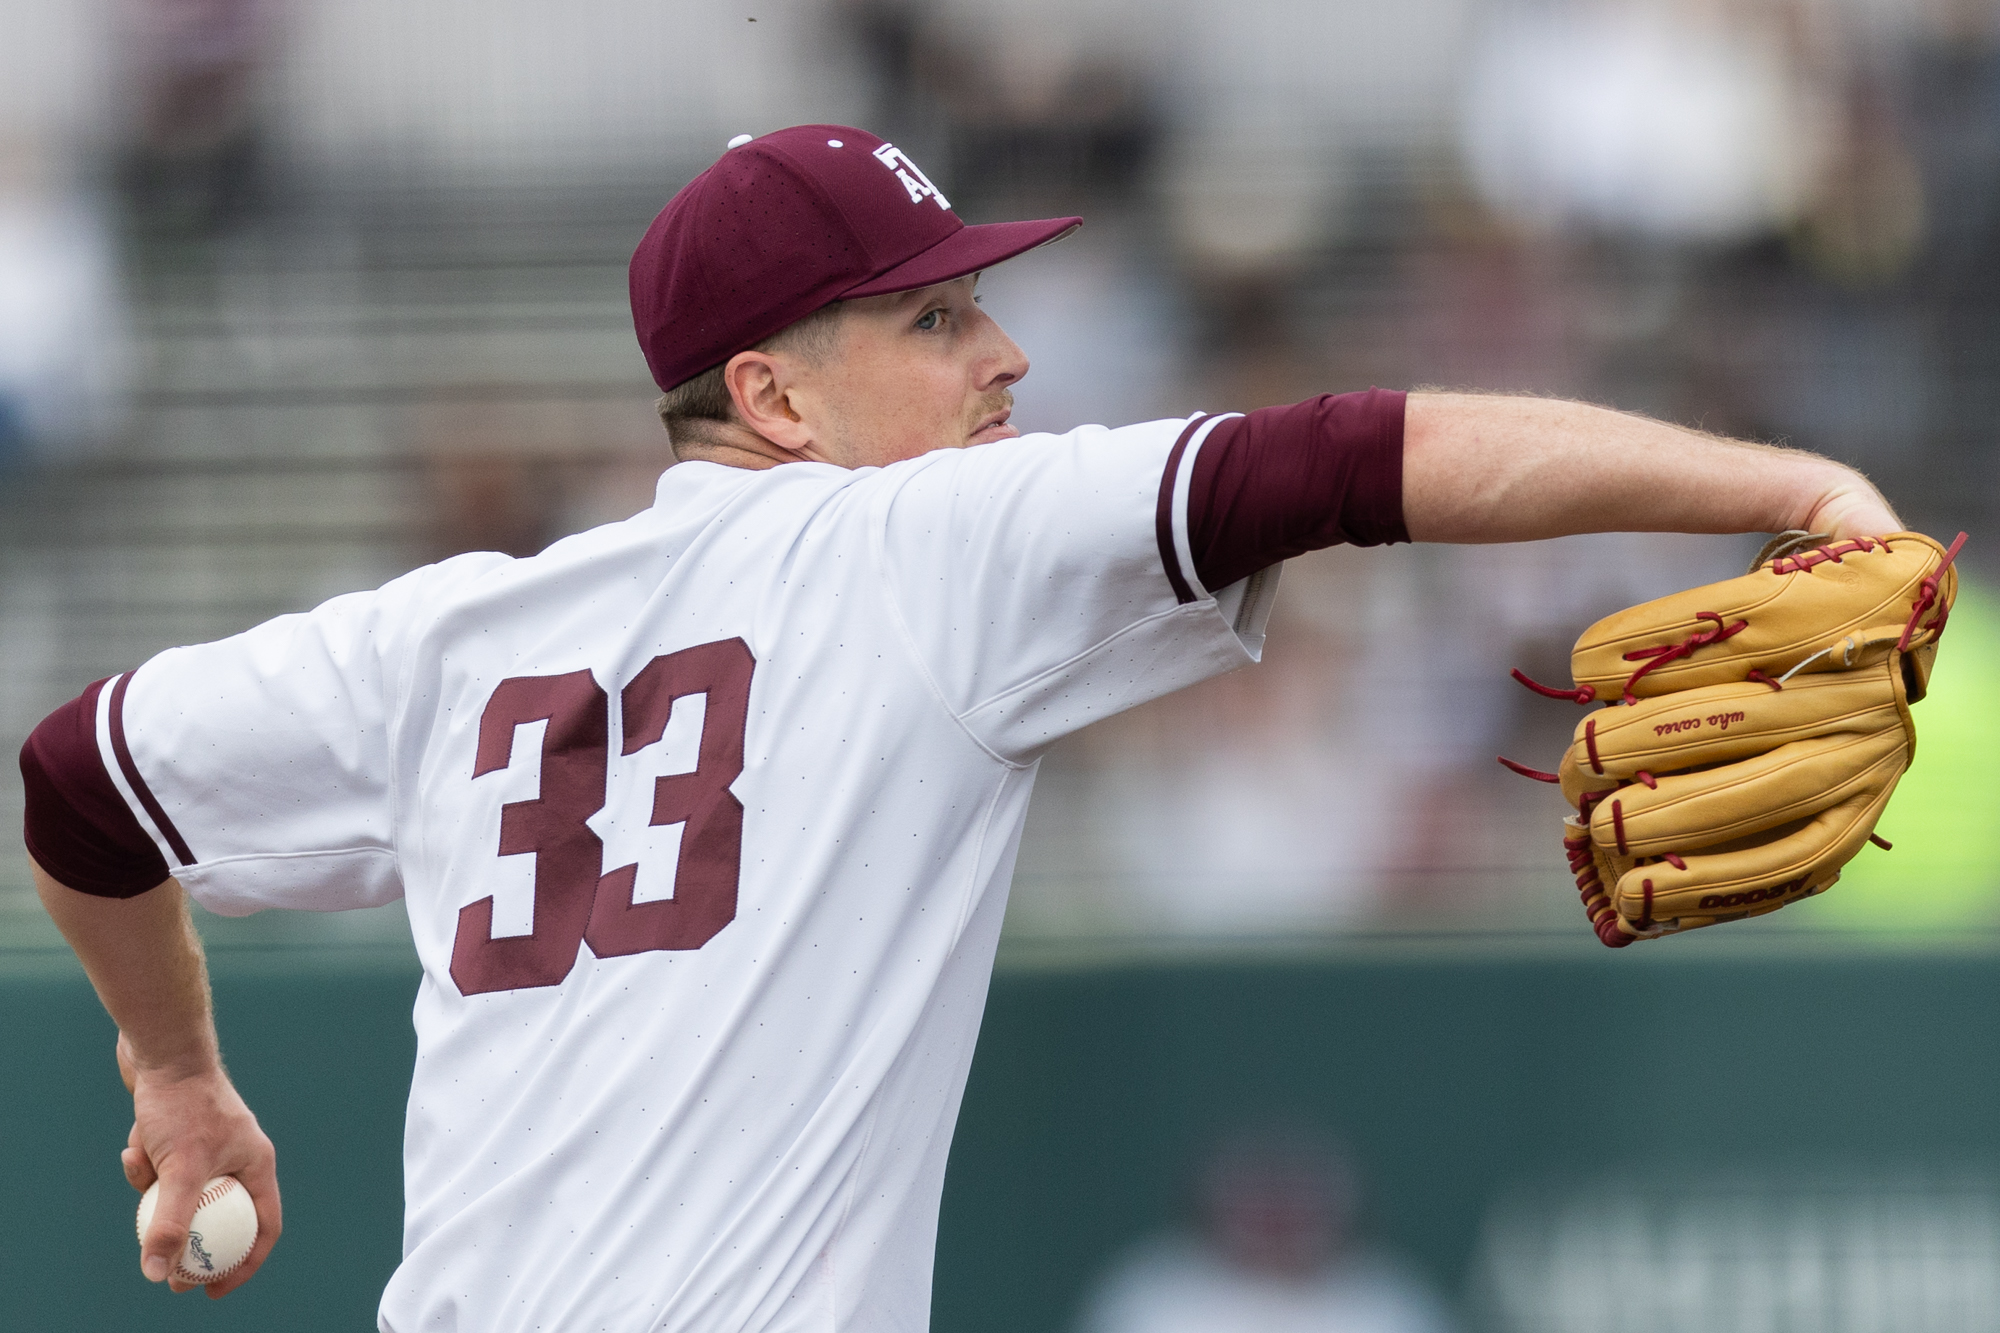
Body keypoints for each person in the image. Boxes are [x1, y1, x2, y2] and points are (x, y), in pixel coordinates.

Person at [20, 124, 1901, 1331]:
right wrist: (1794, 480)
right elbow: (1358, 455)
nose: (1002, 357)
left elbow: (77, 781)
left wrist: (176, 1078)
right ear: (774, 393)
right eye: (930, 321)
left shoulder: (441, 635)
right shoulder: (918, 542)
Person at [1076, 1128, 1456, 1333]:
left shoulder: (1386, 1300)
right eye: (1261, 1204)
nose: (1278, 1224)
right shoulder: (1154, 1293)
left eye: (1296, 1203)